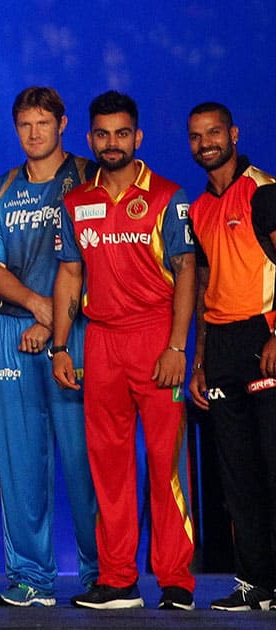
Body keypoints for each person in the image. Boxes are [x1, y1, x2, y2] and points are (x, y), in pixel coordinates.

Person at [51, 90, 196, 610]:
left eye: (122, 134)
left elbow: (186, 273)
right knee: (108, 466)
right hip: (102, 341)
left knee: (164, 463)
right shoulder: (76, 202)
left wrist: (178, 345)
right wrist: (62, 348)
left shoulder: (168, 197)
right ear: (90, 139)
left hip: (156, 335)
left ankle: (176, 579)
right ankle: (118, 580)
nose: (112, 143)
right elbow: (70, 273)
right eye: (102, 134)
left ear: (137, 137)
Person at [0, 87, 98, 606]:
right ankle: (31, 578)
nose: (33, 134)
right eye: (25, 125)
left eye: (43, 124)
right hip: (14, 329)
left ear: (63, 124)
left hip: (81, 329)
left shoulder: (91, 178)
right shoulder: (1, 190)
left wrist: (55, 324)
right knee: (20, 462)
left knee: (84, 460)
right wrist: (36, 305)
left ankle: (104, 574)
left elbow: (99, 259)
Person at [185, 102, 276, 611]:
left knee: (273, 466)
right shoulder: (199, 209)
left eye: (214, 133)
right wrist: (198, 360)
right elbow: (201, 289)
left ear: (234, 134)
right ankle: (255, 582)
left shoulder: (264, 191)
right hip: (220, 347)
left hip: (263, 335)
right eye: (196, 137)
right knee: (237, 473)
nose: (206, 144)